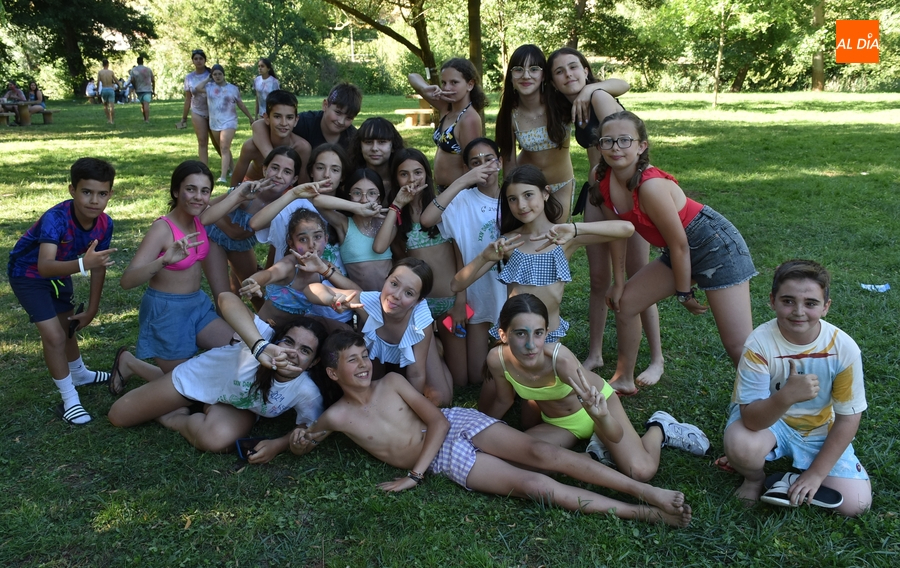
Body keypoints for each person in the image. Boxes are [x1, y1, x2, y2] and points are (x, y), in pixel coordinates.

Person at [289, 331, 693, 527]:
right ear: (331, 372)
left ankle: (648, 490)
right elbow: (305, 440)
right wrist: (289, 443)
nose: (362, 365)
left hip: (455, 426)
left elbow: (438, 419)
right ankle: (642, 513)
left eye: (364, 356)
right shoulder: (335, 417)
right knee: (534, 485)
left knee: (545, 455)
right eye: (351, 361)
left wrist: (415, 475)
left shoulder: (390, 383)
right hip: (447, 458)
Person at [598, 110, 757, 395]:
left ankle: (765, 397)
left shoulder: (651, 186)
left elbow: (680, 244)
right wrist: (619, 283)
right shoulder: (602, 177)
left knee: (737, 344)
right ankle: (623, 377)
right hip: (680, 249)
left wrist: (684, 293)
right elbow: (618, 232)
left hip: (715, 246)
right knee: (626, 303)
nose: (615, 148)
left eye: (624, 140)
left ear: (641, 145)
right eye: (607, 141)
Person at [482, 294, 710, 481]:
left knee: (641, 471)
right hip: (560, 425)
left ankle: (660, 427)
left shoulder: (560, 360)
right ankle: (596, 452)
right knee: (514, 464)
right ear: (503, 334)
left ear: (547, 333)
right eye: (521, 333)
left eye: (538, 333)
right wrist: (479, 429)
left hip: (599, 410)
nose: (531, 345)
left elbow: (612, 429)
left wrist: (602, 419)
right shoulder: (497, 360)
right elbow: (504, 400)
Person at [546, 47, 664, 386]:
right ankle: (595, 353)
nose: (568, 74)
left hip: (627, 194)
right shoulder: (576, 106)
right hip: (597, 193)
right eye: (560, 71)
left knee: (640, 278)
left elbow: (621, 129)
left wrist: (590, 89)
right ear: (553, 82)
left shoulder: (596, 96)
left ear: (586, 70)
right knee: (599, 279)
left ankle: (656, 359)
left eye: (574, 67)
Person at [108, 292, 332, 461]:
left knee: (215, 440)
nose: (292, 353)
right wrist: (260, 347)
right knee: (119, 416)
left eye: (305, 351)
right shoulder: (263, 339)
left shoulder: (306, 392)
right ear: (277, 340)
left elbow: (309, 429)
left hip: (236, 403)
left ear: (313, 362)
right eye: (288, 342)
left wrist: (278, 445)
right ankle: (130, 363)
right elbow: (226, 298)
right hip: (200, 379)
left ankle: (172, 416)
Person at [723, 260, 871, 517]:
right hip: (769, 422)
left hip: (819, 428)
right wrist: (785, 397)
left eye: (811, 303)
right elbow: (751, 419)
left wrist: (816, 475)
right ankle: (755, 479)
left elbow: (849, 418)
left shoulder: (844, 349)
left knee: (855, 504)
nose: (798, 311)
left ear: (826, 307)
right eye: (788, 301)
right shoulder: (759, 344)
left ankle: (794, 477)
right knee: (740, 444)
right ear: (772, 301)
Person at [453, 164, 633, 343]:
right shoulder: (509, 242)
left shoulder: (564, 238)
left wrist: (575, 228)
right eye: (512, 199)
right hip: (515, 337)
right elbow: (456, 285)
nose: (521, 205)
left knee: (562, 368)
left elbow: (626, 229)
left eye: (528, 195)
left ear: (546, 193)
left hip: (549, 335)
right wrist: (484, 257)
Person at [7, 158, 117, 424]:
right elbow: (44, 266)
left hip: (61, 272)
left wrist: (92, 310)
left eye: (102, 194)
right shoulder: (55, 219)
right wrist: (82, 264)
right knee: (54, 336)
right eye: (86, 192)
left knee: (68, 327)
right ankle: (69, 400)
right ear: (72, 190)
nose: (94, 200)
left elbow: (98, 267)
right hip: (28, 275)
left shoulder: (104, 224)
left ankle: (79, 373)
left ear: (110, 195)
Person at [120, 160, 236, 375]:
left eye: (205, 191)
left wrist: (244, 191)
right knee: (183, 387)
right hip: (167, 312)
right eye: (190, 189)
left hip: (197, 305)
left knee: (237, 348)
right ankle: (129, 363)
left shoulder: (199, 218)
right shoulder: (162, 229)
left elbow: (224, 205)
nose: (198, 197)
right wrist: (163, 261)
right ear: (176, 191)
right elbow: (127, 281)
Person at [495, 44, 629, 222]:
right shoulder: (509, 115)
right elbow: (509, 162)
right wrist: (512, 194)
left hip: (561, 184)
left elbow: (622, 85)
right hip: (529, 187)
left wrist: (588, 89)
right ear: (510, 76)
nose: (526, 75)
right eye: (518, 69)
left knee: (556, 239)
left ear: (544, 76)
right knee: (532, 239)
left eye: (534, 69)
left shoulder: (560, 103)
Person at [374, 148, 468, 387]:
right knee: (439, 389)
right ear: (396, 179)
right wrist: (397, 204)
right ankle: (432, 346)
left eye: (418, 172)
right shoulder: (397, 216)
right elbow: (380, 246)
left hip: (449, 301)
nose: (412, 179)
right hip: (419, 309)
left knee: (463, 379)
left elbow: (460, 257)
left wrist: (460, 302)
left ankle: (437, 345)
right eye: (404, 174)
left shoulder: (442, 209)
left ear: (427, 175)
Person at [305, 258, 454, 406]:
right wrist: (331, 299)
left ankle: (435, 351)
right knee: (370, 391)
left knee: (440, 399)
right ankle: (395, 366)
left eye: (409, 293)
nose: (396, 295)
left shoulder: (420, 323)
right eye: (394, 284)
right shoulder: (368, 303)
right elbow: (311, 289)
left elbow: (416, 374)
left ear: (418, 301)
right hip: (380, 350)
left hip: (417, 346)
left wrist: (410, 407)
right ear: (386, 279)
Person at [420, 137, 507, 386]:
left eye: (489, 159)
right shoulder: (462, 200)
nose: (483, 167)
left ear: (500, 162)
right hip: (475, 292)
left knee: (504, 362)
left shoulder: (513, 196)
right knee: (474, 379)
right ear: (467, 169)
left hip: (508, 288)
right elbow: (427, 219)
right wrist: (462, 182)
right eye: (475, 163)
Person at [202, 147, 302, 311]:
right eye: (274, 168)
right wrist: (238, 196)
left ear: (294, 179)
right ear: (264, 169)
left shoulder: (286, 204)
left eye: (286, 172)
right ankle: (225, 330)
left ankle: (267, 328)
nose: (278, 175)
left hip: (241, 244)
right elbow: (207, 209)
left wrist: (270, 271)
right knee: (223, 295)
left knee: (255, 291)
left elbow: (276, 243)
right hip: (214, 236)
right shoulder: (249, 190)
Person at [240, 209, 358, 330]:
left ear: (326, 239)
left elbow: (357, 292)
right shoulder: (290, 265)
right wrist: (253, 282)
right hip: (263, 328)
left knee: (345, 330)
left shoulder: (325, 266)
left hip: (290, 335)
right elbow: (269, 274)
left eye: (317, 237)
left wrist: (324, 270)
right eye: (303, 239)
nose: (312, 245)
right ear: (292, 244)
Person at [250, 143, 349, 271]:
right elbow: (255, 223)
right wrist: (293, 193)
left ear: (342, 177)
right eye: (320, 168)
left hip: (335, 285)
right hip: (292, 286)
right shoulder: (296, 204)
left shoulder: (347, 208)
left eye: (335, 170)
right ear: (311, 172)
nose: (326, 175)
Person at [309, 168, 392, 291]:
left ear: (379, 198)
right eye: (357, 193)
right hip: (363, 301)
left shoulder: (387, 222)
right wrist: (356, 208)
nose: (364, 200)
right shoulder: (344, 224)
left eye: (372, 193)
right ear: (348, 196)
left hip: (393, 299)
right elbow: (317, 201)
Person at [409, 59, 485, 189]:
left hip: (458, 194)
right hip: (444, 193)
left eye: (454, 82)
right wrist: (426, 88)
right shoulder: (447, 109)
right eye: (444, 83)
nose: (447, 88)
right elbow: (412, 77)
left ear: (470, 85)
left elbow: (472, 165)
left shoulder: (469, 119)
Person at [230, 90, 310, 186]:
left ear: (296, 120)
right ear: (267, 118)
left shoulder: (301, 148)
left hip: (284, 189)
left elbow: (303, 186)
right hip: (253, 185)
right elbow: (234, 186)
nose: (283, 123)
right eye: (277, 117)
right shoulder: (251, 147)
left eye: (289, 117)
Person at [194, 64, 253, 184]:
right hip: (215, 122)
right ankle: (233, 169)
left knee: (225, 147)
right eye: (215, 74)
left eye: (219, 74)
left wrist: (250, 118)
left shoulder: (232, 88)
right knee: (223, 148)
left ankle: (223, 176)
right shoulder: (209, 87)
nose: (217, 76)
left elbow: (240, 104)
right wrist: (207, 79)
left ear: (223, 74)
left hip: (229, 121)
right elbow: (197, 88)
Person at [177, 49, 217, 166]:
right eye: (196, 59)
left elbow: (220, 91)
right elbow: (188, 98)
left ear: (205, 60)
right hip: (197, 111)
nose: (198, 61)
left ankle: (229, 168)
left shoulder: (212, 74)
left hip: (213, 111)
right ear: (192, 61)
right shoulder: (189, 77)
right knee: (202, 141)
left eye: (201, 58)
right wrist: (184, 118)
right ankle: (204, 168)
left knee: (219, 142)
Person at [347, 117, 404, 194]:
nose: (374, 148)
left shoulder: (404, 178)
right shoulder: (349, 178)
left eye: (382, 142)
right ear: (359, 146)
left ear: (393, 146)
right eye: (368, 142)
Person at [128, 56, 155, 123]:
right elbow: (153, 80)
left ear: (137, 62)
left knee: (142, 104)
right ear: (143, 61)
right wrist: (153, 90)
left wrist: (135, 86)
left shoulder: (133, 70)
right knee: (146, 104)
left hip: (139, 89)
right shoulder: (148, 69)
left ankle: (145, 118)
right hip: (148, 89)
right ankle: (147, 119)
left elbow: (132, 80)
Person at [97, 59, 118, 125]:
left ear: (102, 65)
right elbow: (115, 80)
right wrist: (119, 85)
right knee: (112, 106)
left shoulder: (100, 72)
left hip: (104, 89)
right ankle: (112, 120)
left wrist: (97, 90)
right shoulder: (111, 72)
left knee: (105, 106)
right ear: (108, 64)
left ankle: (108, 119)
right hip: (110, 89)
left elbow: (98, 82)